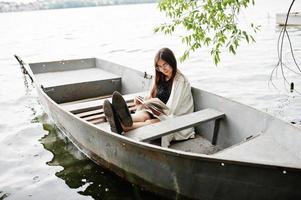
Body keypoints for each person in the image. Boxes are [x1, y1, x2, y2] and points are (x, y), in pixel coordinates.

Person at [103, 47, 195, 147]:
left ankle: (122, 126)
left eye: (165, 65)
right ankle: (121, 117)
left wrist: (157, 111)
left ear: (172, 62)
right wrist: (143, 102)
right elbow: (151, 97)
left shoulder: (180, 81)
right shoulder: (159, 76)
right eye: (159, 66)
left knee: (151, 121)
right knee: (144, 114)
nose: (163, 69)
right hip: (159, 111)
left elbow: (174, 110)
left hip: (176, 117)